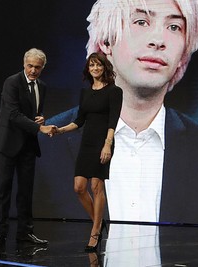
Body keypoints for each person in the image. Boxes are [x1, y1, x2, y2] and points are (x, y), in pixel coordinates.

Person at [39, 0, 198, 226]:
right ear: (106, 42)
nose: (158, 39)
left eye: (174, 27)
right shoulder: (47, 145)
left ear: (183, 54)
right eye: (141, 21)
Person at [52, 52, 123, 252]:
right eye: (92, 65)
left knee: (96, 185)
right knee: (79, 187)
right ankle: (99, 224)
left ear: (104, 67)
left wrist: (108, 144)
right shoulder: (86, 93)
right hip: (87, 143)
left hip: (103, 142)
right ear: (88, 69)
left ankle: (94, 233)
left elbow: (113, 120)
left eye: (98, 65)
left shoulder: (114, 91)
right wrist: (60, 130)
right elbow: (79, 120)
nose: (95, 69)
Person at [0, 48, 56, 249]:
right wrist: (40, 127)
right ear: (24, 64)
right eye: (30, 66)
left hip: (27, 143)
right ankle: (0, 235)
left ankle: (25, 233)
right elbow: (13, 114)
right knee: (3, 190)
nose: (33, 70)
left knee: (26, 191)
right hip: (7, 142)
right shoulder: (12, 82)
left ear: (43, 68)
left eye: (38, 67)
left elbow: (33, 111)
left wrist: (40, 117)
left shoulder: (42, 86)